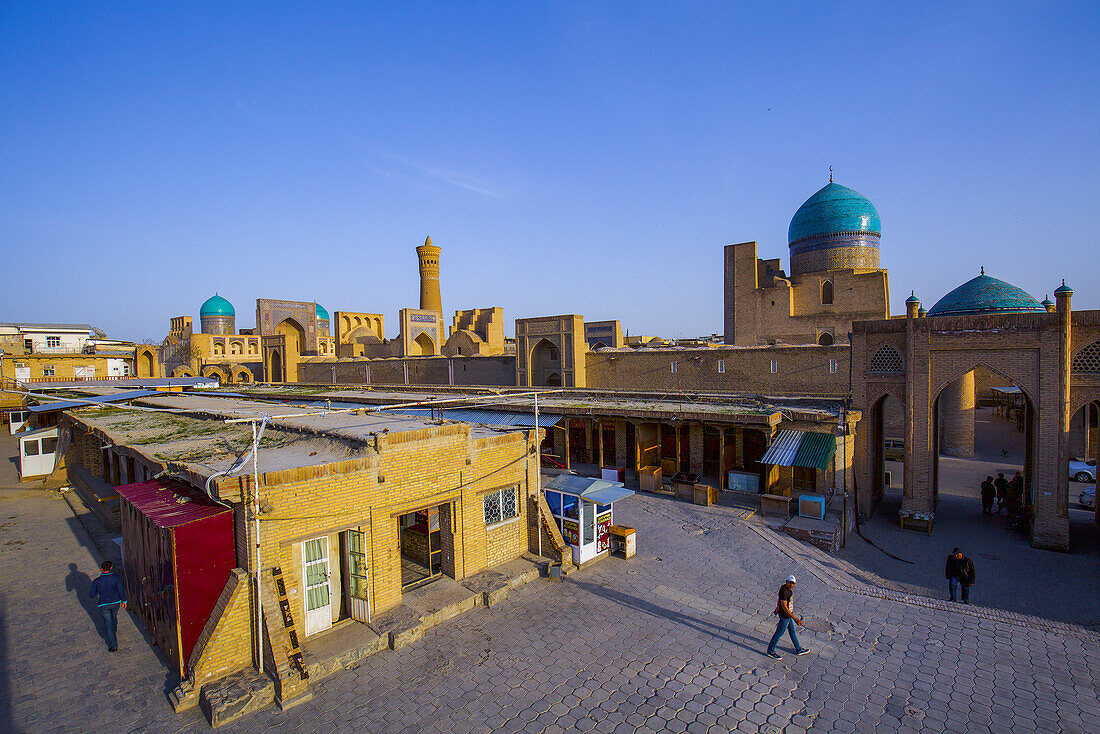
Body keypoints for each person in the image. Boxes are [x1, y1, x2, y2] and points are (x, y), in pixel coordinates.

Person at [766, 575, 809, 658]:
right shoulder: (785, 591)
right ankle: (770, 651)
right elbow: (784, 606)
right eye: (790, 583)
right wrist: (795, 618)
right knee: (779, 633)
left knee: (792, 631)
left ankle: (799, 649)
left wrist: (777, 607)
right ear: (786, 582)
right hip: (785, 616)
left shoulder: (783, 588)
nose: (791, 585)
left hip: (788, 615)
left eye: (793, 584)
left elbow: (779, 599)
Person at [89, 560, 127, 652]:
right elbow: (121, 590)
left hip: (103, 604)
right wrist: (124, 600)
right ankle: (114, 631)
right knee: (114, 616)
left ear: (101, 569)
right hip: (115, 602)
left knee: (108, 624)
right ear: (110, 568)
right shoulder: (116, 578)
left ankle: (113, 645)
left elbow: (91, 595)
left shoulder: (97, 581)